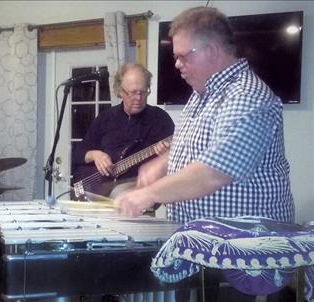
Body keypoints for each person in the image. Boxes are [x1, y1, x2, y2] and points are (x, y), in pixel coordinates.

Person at [114, 6, 295, 302]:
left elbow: (214, 171)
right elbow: (195, 148)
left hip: (242, 256)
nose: (177, 64)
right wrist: (162, 164)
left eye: (184, 55)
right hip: (208, 249)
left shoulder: (247, 96)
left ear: (211, 50)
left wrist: (148, 195)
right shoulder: (202, 96)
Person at [72, 63, 175, 199]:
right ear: (120, 91)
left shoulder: (160, 119)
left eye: (143, 92)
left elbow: (177, 161)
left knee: (120, 194)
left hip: (139, 189)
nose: (138, 98)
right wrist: (95, 155)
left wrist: (166, 155)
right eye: (132, 92)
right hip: (98, 189)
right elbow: (77, 154)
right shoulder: (106, 118)